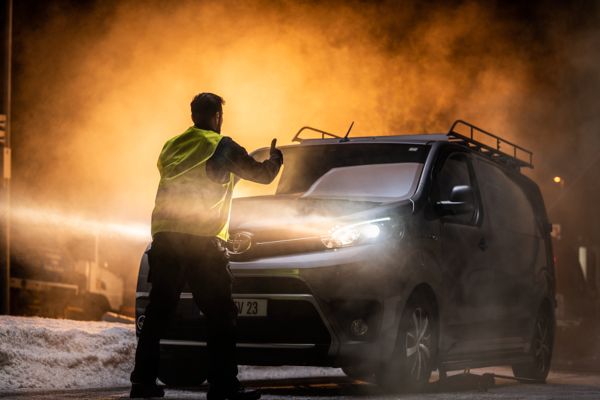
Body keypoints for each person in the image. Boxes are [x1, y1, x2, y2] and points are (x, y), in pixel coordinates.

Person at [130, 93, 283, 399]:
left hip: (165, 239)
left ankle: (142, 383)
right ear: (217, 117)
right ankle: (224, 386)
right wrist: (276, 160)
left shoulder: (171, 146)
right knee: (220, 314)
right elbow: (263, 176)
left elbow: (198, 179)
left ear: (193, 116)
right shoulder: (221, 144)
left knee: (159, 313)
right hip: (201, 242)